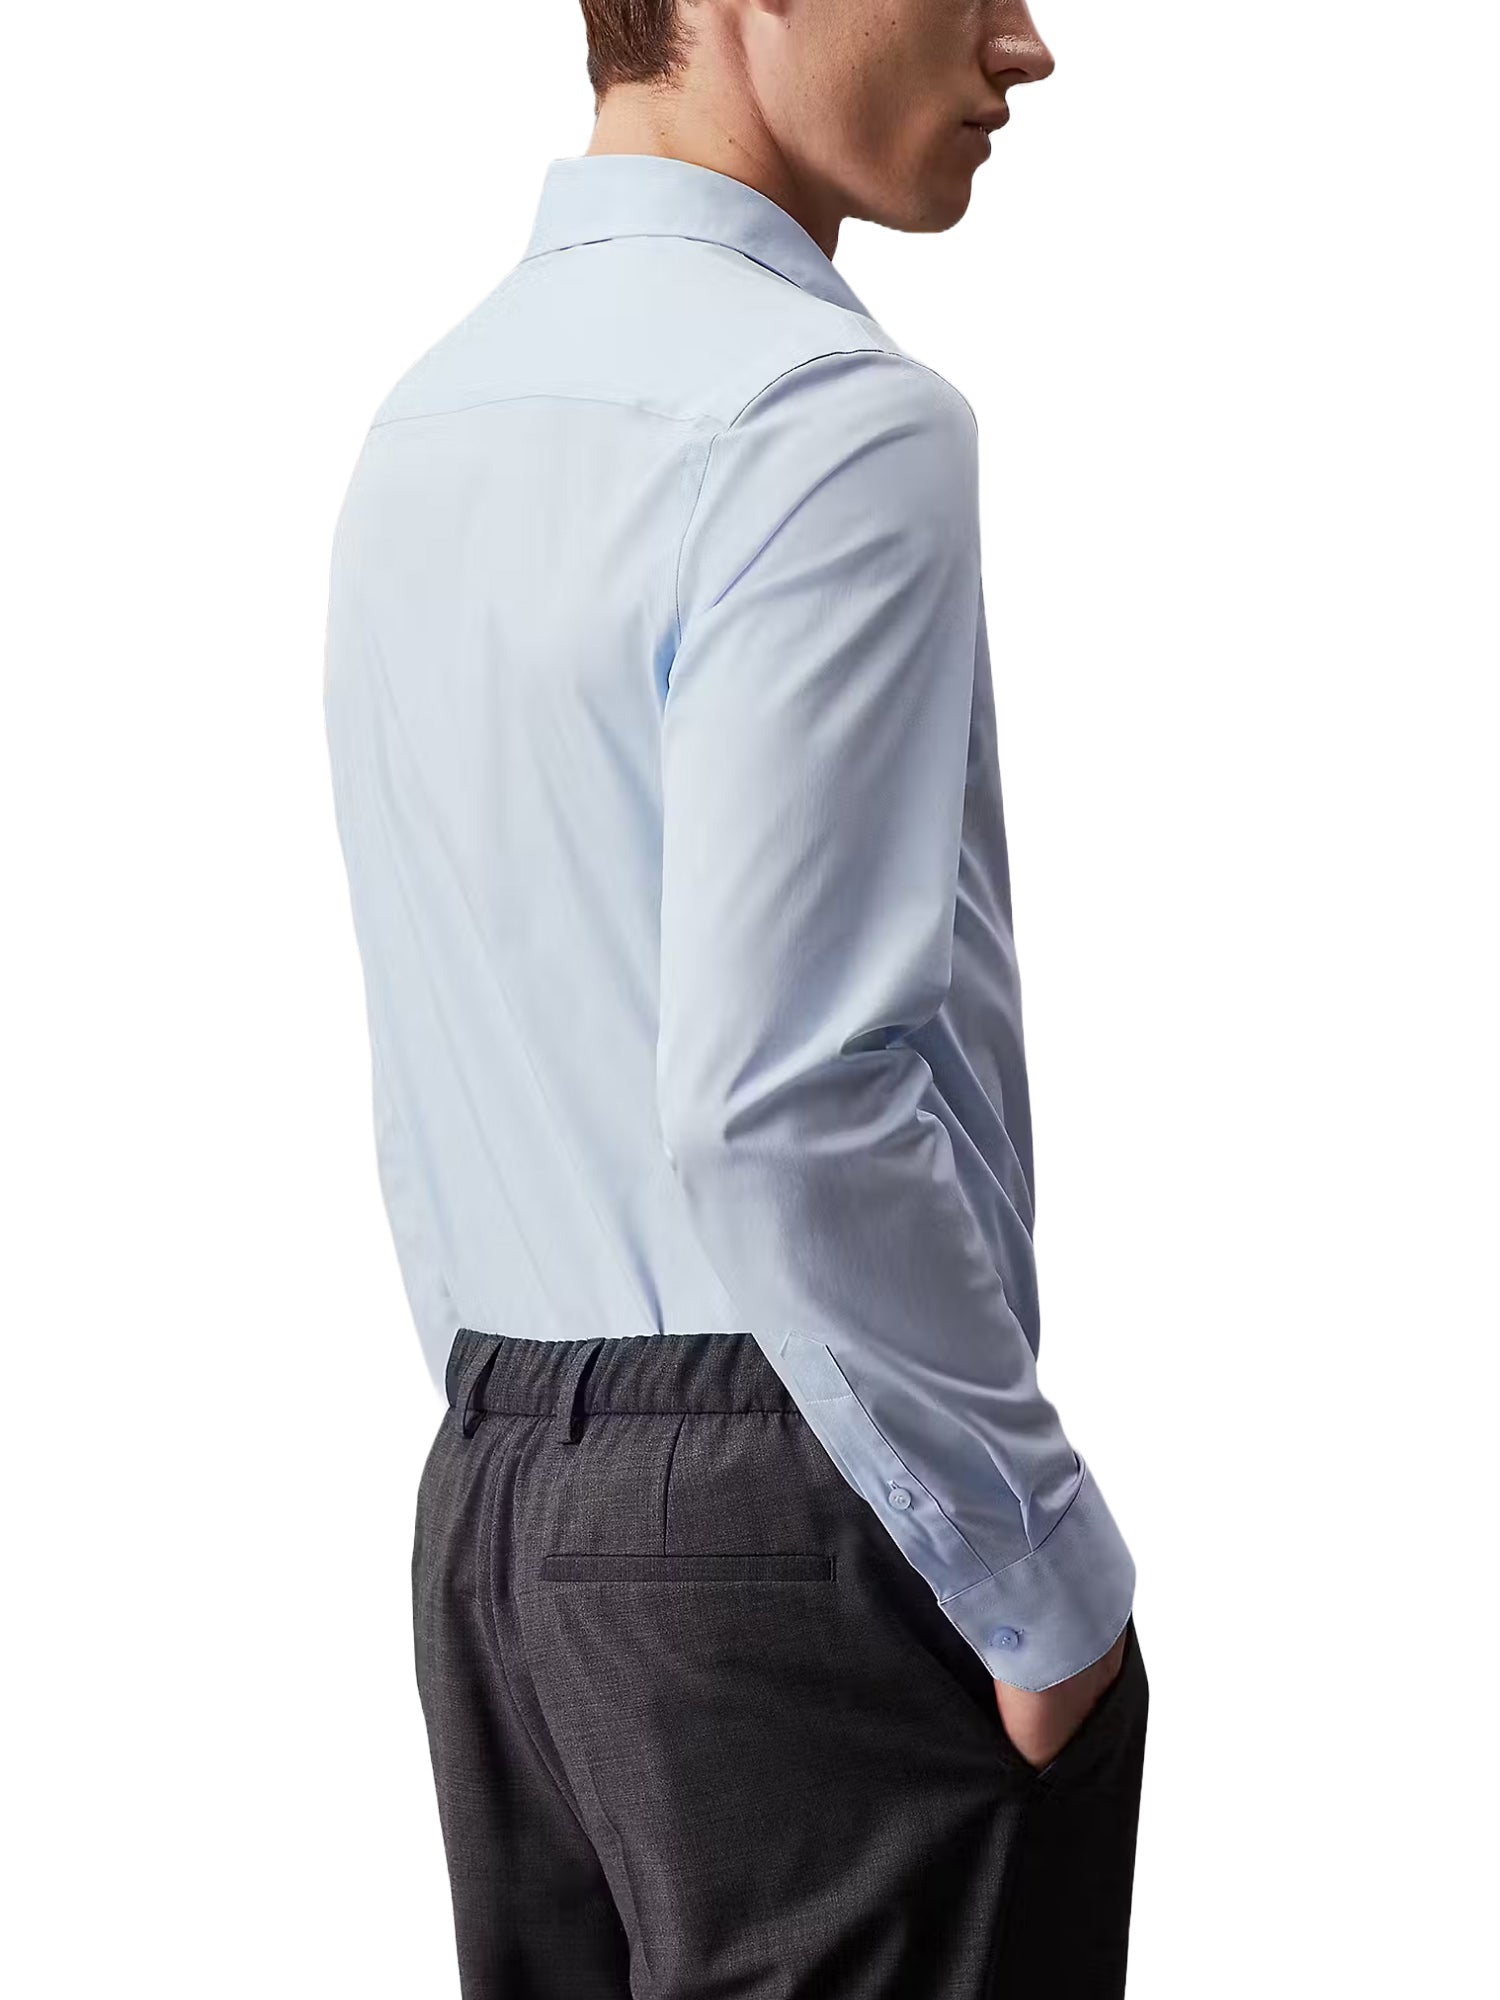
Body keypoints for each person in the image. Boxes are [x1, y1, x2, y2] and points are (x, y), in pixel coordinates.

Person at [322, 2, 1147, 1993]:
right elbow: (781, 1102)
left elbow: (442, 1059)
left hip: (501, 1500)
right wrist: (1045, 1580)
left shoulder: (428, 423)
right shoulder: (827, 419)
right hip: (800, 1517)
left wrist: (543, 1475)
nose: (1025, 42)